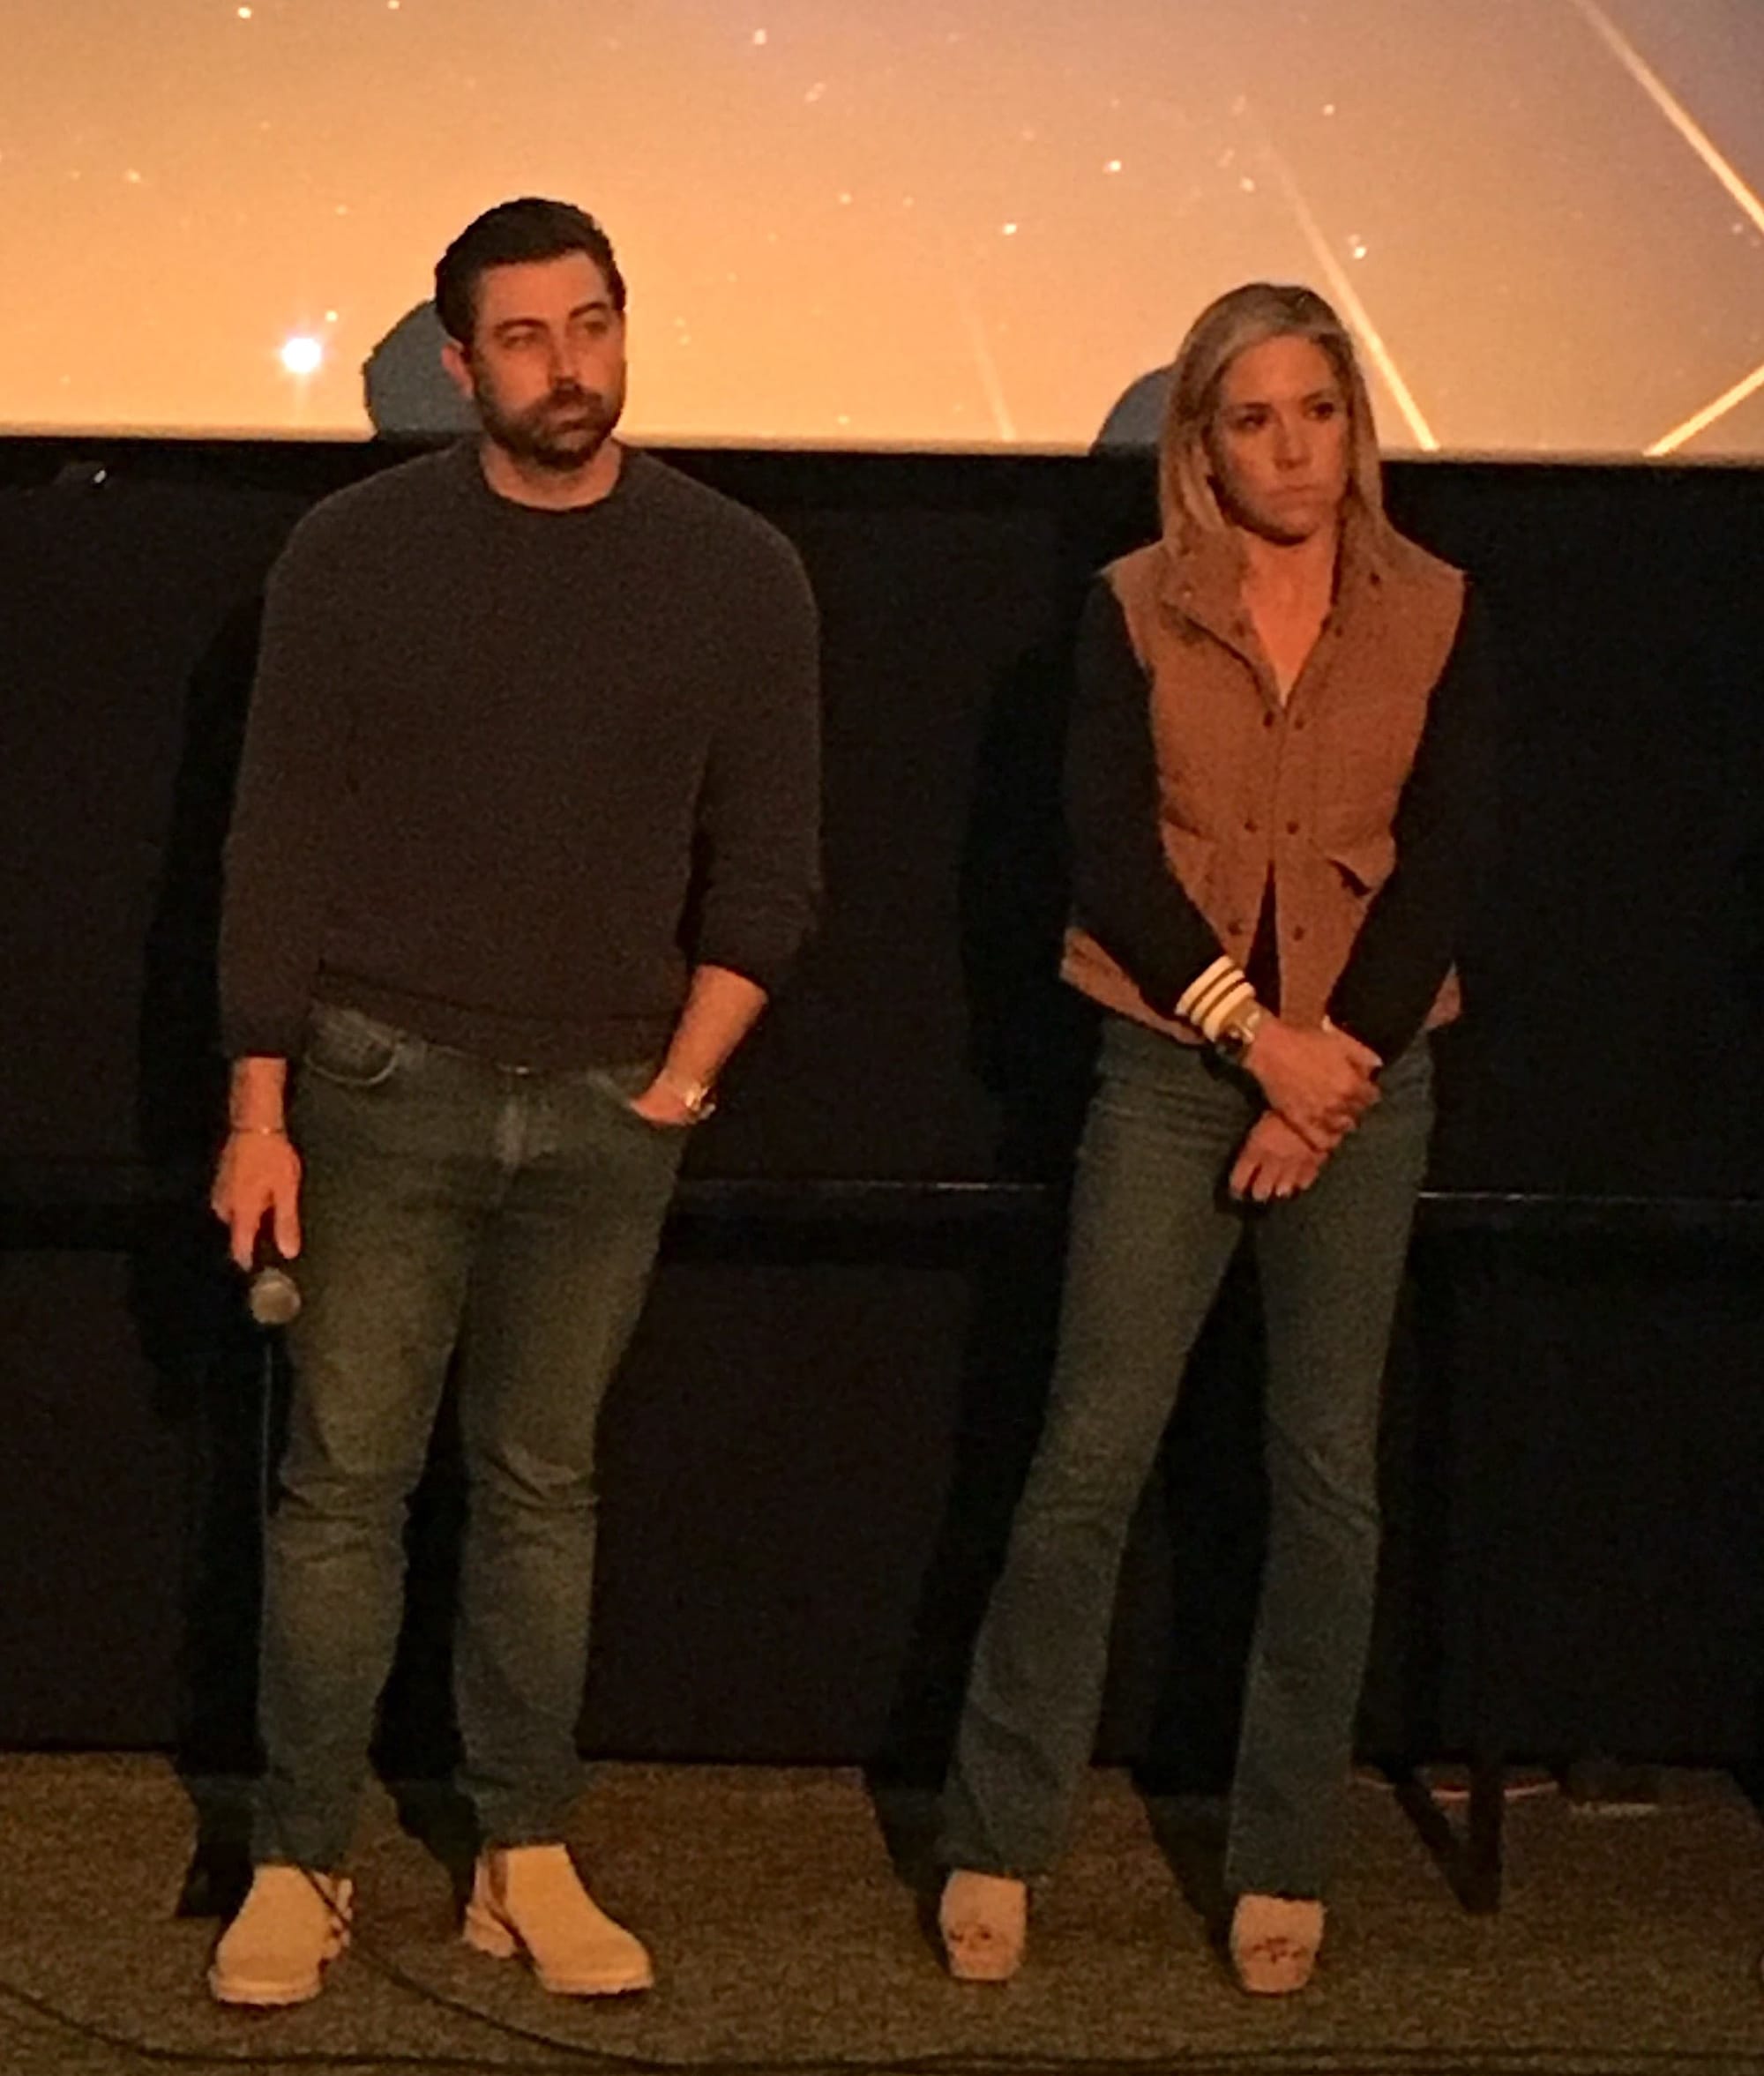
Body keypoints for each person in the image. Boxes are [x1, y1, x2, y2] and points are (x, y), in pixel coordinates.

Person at [206, 198, 820, 2006]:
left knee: (543, 1488)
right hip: (380, 1075)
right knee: (344, 1489)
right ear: (461, 361)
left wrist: (678, 1082)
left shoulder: (735, 568)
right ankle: (300, 1856)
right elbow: (276, 846)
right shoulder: (353, 554)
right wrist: (259, 1106)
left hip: (608, 1099)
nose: (573, 366)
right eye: (530, 338)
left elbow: (772, 871)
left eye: (597, 324)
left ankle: (519, 1846)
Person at [937, 282, 1494, 1993]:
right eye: (1251, 417)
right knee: (1087, 1460)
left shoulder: (1436, 607)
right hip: (1174, 1061)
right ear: (1201, 442)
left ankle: (1281, 1856)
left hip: (1366, 1074)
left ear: (1353, 424)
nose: (1290, 448)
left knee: (1322, 1478)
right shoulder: (1127, 611)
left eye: (1314, 411)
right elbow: (1106, 851)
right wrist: (1257, 1045)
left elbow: (1446, 858)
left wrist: (1330, 1075)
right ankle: (996, 1838)